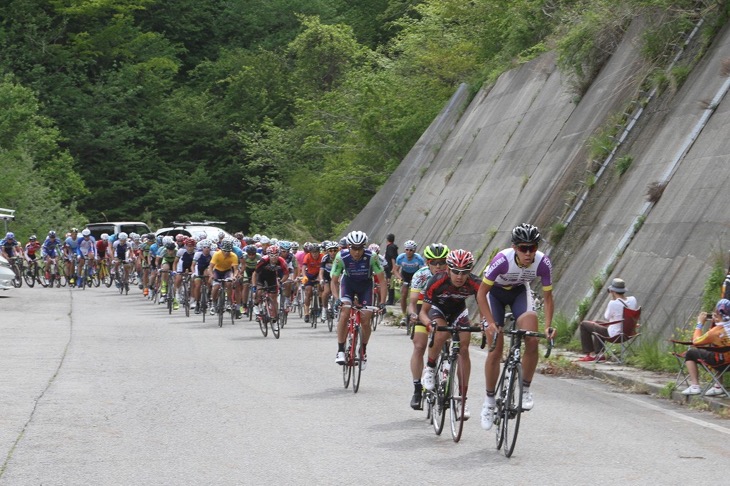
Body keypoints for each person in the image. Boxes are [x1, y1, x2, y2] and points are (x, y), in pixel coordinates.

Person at [476, 223, 556, 430]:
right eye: (523, 248)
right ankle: (489, 401)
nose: (528, 253)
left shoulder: (543, 263)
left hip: (520, 292)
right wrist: (491, 323)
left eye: (533, 247)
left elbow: (548, 298)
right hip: (495, 296)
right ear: (514, 247)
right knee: (495, 349)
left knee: (531, 337)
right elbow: (481, 293)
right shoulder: (502, 260)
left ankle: (526, 388)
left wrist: (548, 326)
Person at [420, 249, 481, 419]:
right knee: (440, 334)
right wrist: (428, 324)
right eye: (455, 271)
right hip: (438, 310)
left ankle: (462, 399)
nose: (459, 276)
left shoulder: (475, 283)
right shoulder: (436, 281)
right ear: (448, 269)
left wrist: (484, 323)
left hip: (458, 312)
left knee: (464, 349)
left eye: (464, 272)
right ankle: (431, 368)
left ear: (470, 271)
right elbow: (423, 312)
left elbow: (483, 304)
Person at [330, 231, 387, 369]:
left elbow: (383, 281)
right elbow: (334, 281)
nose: (356, 252)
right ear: (349, 247)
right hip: (348, 284)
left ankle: (363, 351)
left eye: (360, 248)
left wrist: (383, 302)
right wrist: (337, 298)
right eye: (353, 248)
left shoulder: (371, 257)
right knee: (344, 313)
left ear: (364, 247)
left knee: (366, 320)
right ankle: (341, 350)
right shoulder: (341, 256)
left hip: (365, 286)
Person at [408, 243, 449, 410]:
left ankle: (447, 380)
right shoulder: (420, 275)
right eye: (434, 262)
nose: (438, 266)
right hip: (422, 307)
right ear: (427, 262)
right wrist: (413, 314)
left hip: (444, 308)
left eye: (442, 262)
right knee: (419, 346)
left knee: (450, 343)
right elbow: (412, 303)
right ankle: (417, 389)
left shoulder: (452, 275)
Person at [577, 278, 639, 362]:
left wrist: (612, 300)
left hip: (614, 334)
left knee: (584, 324)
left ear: (612, 291)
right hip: (628, 333)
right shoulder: (632, 299)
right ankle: (600, 354)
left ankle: (591, 354)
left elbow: (607, 316)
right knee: (597, 323)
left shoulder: (613, 303)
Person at [680, 299, 730, 396]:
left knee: (691, 353)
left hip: (721, 364)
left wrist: (700, 324)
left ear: (718, 315)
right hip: (728, 363)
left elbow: (696, 341)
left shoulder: (715, 332)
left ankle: (695, 386)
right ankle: (718, 386)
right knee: (717, 350)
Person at [394, 240, 425, 325]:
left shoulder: (419, 259)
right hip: (405, 276)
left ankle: (416, 314)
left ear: (414, 251)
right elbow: (395, 270)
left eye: (411, 250)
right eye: (407, 249)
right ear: (405, 250)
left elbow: (423, 271)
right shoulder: (400, 258)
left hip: (416, 275)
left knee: (417, 296)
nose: (409, 252)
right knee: (403, 295)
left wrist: (420, 280)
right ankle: (404, 316)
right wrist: (400, 279)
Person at [384, 234, 398, 305]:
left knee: (390, 284)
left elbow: (392, 258)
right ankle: (391, 300)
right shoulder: (393, 247)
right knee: (390, 284)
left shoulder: (390, 247)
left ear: (387, 239)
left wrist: (393, 268)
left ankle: (390, 300)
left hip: (390, 268)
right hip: (390, 268)